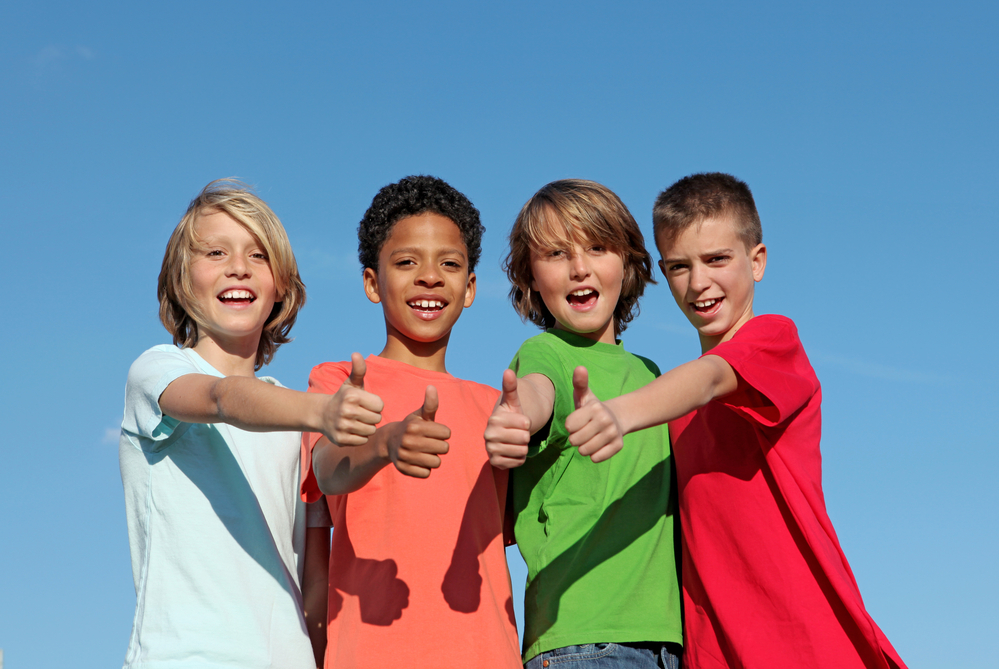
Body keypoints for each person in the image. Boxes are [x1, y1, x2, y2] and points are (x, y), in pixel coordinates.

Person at [565, 172, 908, 669]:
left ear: (758, 261)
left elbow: (709, 377)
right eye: (680, 266)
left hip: (804, 641)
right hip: (716, 652)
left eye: (717, 259)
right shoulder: (673, 415)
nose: (698, 282)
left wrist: (619, 412)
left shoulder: (773, 342)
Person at [118, 179, 367, 668]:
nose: (238, 267)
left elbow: (316, 575)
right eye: (215, 252)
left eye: (258, 255)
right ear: (182, 278)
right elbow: (222, 397)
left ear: (281, 286)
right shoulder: (158, 370)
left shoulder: (298, 423)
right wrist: (320, 411)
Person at [299, 175, 522, 669]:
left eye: (449, 263)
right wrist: (384, 444)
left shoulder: (496, 408)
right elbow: (330, 472)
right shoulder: (338, 380)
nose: (429, 277)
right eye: (406, 262)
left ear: (470, 288)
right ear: (372, 283)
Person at [485, 179, 683, 668]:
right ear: (530, 277)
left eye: (597, 247)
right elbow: (536, 392)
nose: (579, 268)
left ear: (629, 262)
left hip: (665, 643)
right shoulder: (546, 353)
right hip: (582, 643)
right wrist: (516, 418)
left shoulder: (651, 375)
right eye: (555, 253)